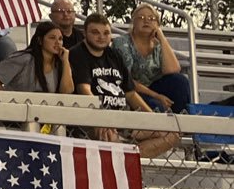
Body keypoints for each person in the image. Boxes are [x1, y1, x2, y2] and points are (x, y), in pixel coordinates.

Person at [71, 13, 179, 158]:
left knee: (171, 134)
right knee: (109, 136)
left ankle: (129, 159)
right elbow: (83, 90)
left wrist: (153, 118)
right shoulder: (78, 53)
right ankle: (125, 160)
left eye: (106, 33)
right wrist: (102, 119)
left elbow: (130, 93)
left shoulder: (114, 55)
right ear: (85, 34)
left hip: (124, 117)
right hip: (95, 119)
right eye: (95, 32)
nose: (101, 37)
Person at [114, 4, 191, 114]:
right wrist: (157, 96)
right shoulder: (122, 43)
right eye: (141, 18)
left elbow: (173, 70)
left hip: (154, 87)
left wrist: (161, 37)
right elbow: (126, 80)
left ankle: (183, 121)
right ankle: (162, 129)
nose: (146, 21)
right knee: (157, 106)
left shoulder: (158, 45)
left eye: (152, 19)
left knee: (180, 81)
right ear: (133, 23)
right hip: (131, 91)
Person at [0, 22, 75, 93]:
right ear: (40, 40)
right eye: (52, 38)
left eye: (60, 39)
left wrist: (65, 62)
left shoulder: (60, 63)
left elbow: (67, 92)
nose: (58, 42)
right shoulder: (24, 59)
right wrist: (4, 101)